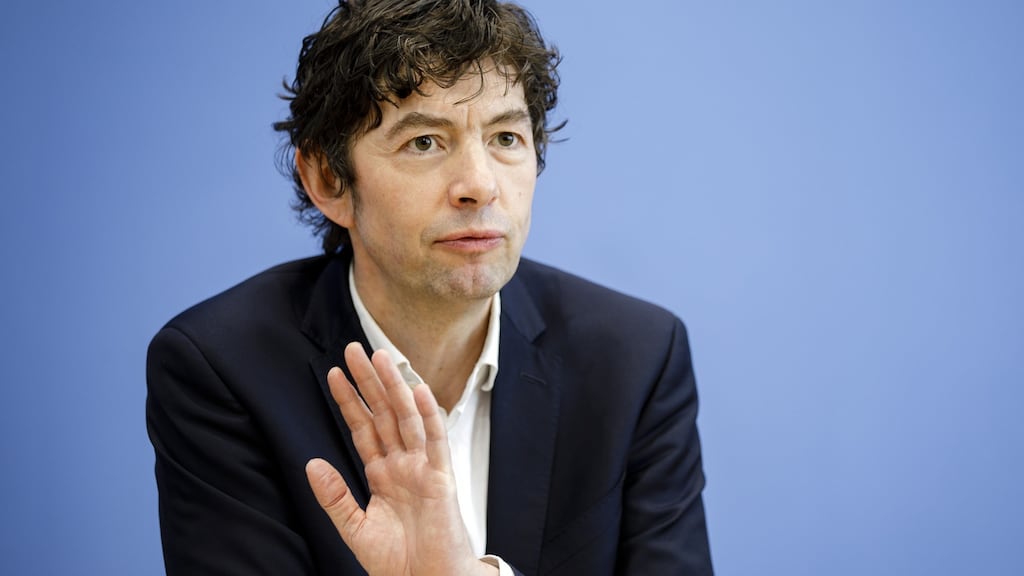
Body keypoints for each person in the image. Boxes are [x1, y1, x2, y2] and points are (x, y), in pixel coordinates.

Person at [146, 0, 713, 574]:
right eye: (425, 142)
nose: (479, 185)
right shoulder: (223, 368)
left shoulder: (636, 358)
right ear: (327, 180)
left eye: (507, 138)